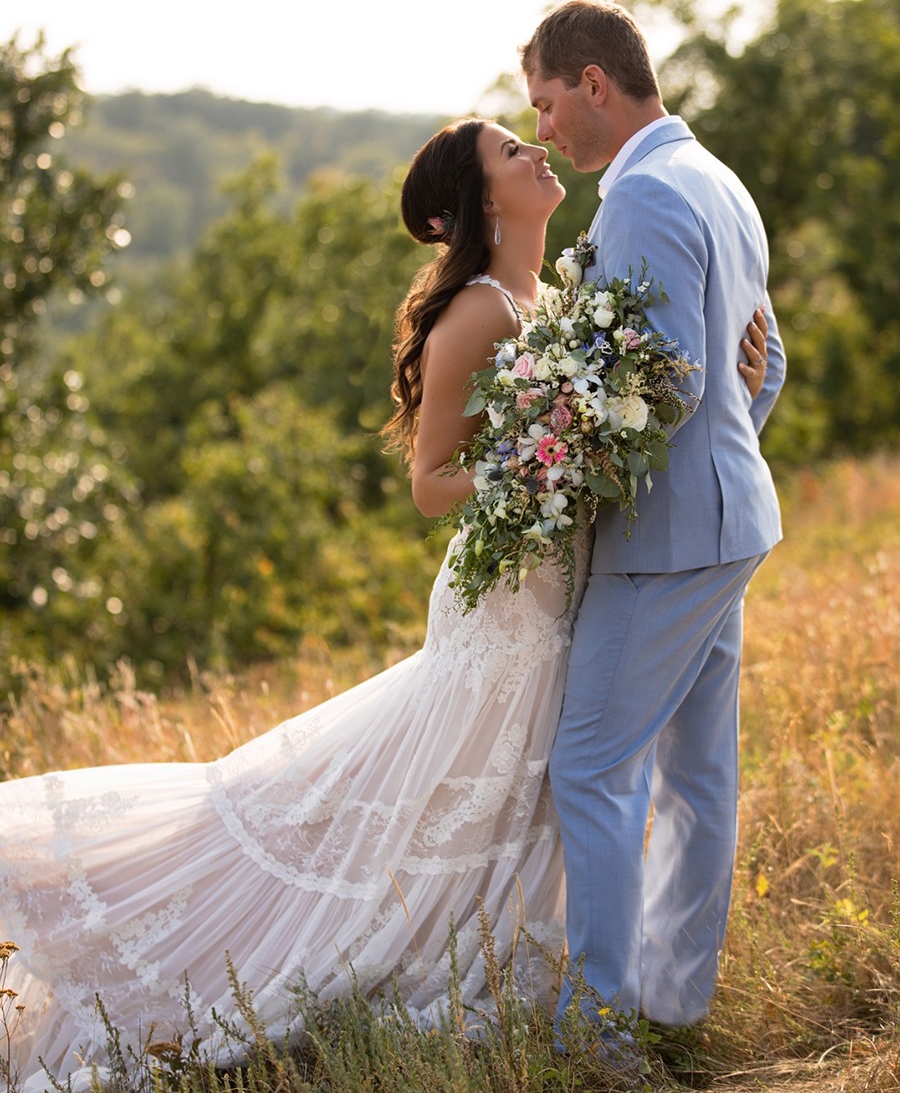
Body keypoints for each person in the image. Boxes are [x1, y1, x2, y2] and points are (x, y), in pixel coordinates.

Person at [0, 117, 768, 1090]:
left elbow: (612, 420)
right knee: (429, 801)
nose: (538, 155)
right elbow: (431, 480)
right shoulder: (479, 314)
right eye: (512, 153)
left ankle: (516, 968)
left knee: (518, 795)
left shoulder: (557, 295)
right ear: (489, 200)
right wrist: (541, 466)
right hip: (506, 606)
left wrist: (713, 397)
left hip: (563, 588)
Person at [521, 0, 786, 1038]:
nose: (542, 127)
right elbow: (758, 367)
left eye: (545, 103)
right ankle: (673, 1007)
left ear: (594, 82)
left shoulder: (640, 199)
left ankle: (598, 1028)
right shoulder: (718, 180)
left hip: (664, 542)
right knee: (696, 776)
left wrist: (554, 489)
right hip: (726, 523)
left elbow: (665, 387)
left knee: (589, 768)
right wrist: (732, 441)